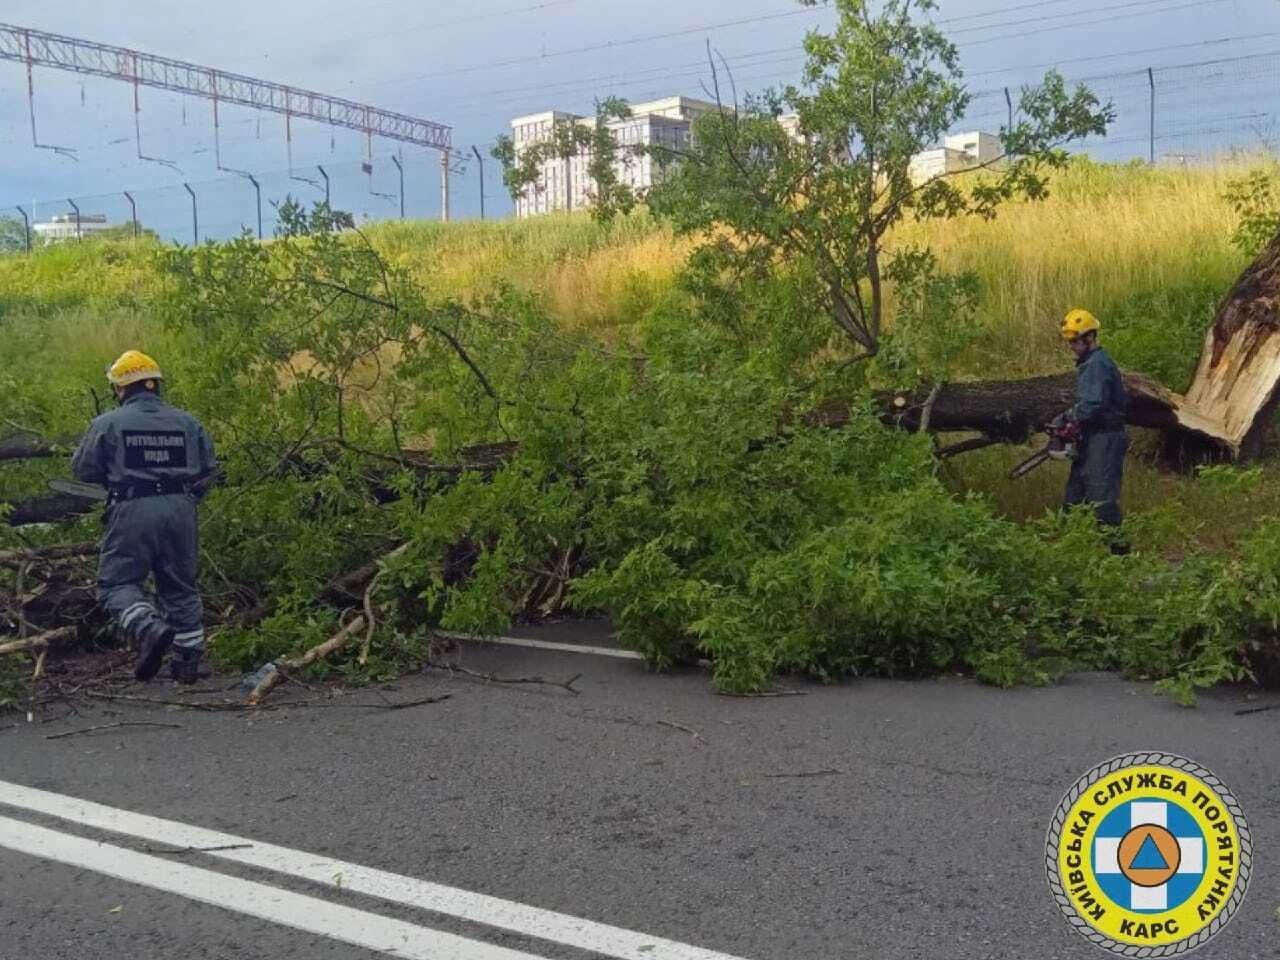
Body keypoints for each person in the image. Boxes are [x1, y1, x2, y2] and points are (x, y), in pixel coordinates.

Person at [71, 351, 217, 683]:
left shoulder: (107, 423)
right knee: (180, 585)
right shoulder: (188, 422)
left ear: (120, 388)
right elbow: (209, 471)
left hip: (134, 507)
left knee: (117, 584)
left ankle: (147, 627)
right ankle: (188, 662)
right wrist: (186, 499)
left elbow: (83, 469)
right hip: (181, 508)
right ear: (155, 385)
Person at [1057, 309, 1129, 546]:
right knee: (1074, 500)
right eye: (1070, 342)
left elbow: (1092, 404)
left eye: (1075, 341)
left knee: (1101, 502)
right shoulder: (1090, 363)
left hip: (1105, 438)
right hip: (1091, 437)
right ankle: (1070, 553)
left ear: (1090, 337)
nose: (1072, 346)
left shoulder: (1097, 364)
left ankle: (1121, 555)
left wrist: (1068, 417)